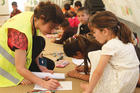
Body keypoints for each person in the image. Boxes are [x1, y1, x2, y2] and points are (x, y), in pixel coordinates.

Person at [0, 1, 64, 90]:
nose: (52, 31)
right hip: (5, 67)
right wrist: (43, 83)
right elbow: (20, 68)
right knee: (31, 71)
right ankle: (22, 76)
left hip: (19, 56)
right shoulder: (20, 34)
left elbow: (36, 46)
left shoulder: (33, 18)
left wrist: (42, 67)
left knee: (48, 63)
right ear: (42, 18)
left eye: (55, 28)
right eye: (51, 27)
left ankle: (33, 71)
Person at [80, 11, 139, 93]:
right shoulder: (123, 39)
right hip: (130, 84)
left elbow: (98, 72)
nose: (94, 35)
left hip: (120, 85)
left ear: (105, 31)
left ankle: (93, 87)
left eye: (94, 32)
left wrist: (89, 89)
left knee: (96, 55)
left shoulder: (110, 45)